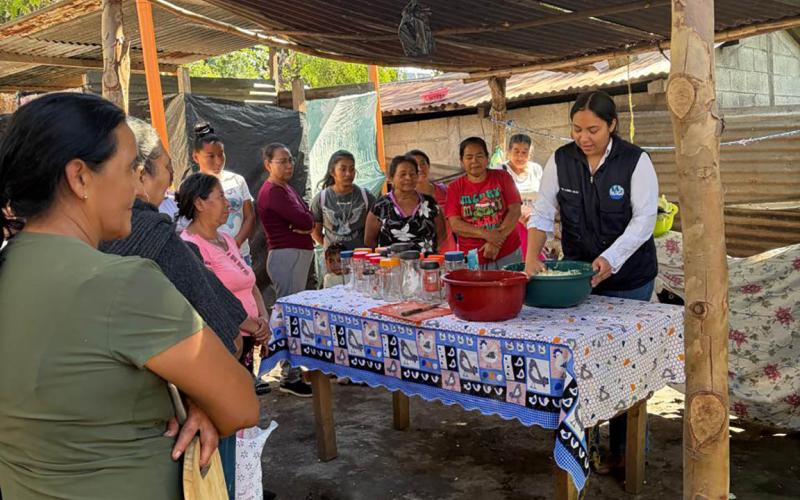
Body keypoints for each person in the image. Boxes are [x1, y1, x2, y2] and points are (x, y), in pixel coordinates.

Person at [0, 93, 258, 500]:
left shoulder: (10, 265)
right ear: (80, 177)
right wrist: (200, 399)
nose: (137, 185)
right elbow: (242, 404)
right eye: (130, 169)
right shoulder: (122, 282)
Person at [98, 118, 267, 497]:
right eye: (165, 169)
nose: (170, 181)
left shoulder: (40, 251)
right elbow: (224, 337)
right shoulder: (154, 236)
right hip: (160, 435)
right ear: (139, 175)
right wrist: (204, 394)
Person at [524, 90, 659, 472]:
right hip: (578, 277)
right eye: (577, 129)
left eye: (593, 130)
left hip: (630, 279)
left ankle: (627, 451)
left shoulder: (635, 161)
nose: (583, 138)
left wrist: (611, 259)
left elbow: (644, 221)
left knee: (625, 362)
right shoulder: (560, 160)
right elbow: (542, 213)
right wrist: (532, 257)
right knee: (580, 360)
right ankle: (583, 444)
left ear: (612, 125)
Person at [178, 173, 270, 375]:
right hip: (225, 342)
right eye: (220, 196)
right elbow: (212, 299)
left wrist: (263, 319)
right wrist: (254, 327)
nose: (228, 204)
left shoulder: (227, 239)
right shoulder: (190, 246)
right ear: (199, 204)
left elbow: (250, 283)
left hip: (249, 336)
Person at [256, 143, 315, 397]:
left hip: (294, 256)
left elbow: (309, 218)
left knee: (294, 315)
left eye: (290, 160)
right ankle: (289, 375)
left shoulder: (285, 188)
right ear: (268, 164)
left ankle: (292, 371)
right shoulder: (273, 192)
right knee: (290, 317)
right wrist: (305, 223)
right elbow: (305, 220)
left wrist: (306, 223)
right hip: (286, 257)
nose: (289, 165)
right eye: (283, 161)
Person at [445, 136, 522, 269]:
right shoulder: (454, 187)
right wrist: (486, 234)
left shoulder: (503, 177)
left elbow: (515, 211)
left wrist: (495, 241)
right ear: (462, 161)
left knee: (513, 282)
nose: (474, 161)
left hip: (508, 252)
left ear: (487, 158)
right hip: (473, 257)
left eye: (479, 156)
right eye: (469, 157)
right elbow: (455, 224)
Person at [192, 123, 256, 265]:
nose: (218, 161)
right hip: (211, 259)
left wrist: (236, 243)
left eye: (221, 154)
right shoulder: (191, 186)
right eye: (211, 156)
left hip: (241, 255)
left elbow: (250, 216)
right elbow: (190, 225)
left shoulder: (237, 180)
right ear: (196, 157)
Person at [364, 154, 445, 254]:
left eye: (412, 174)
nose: (408, 178)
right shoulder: (380, 206)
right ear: (391, 177)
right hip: (391, 263)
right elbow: (369, 241)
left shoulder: (430, 203)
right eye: (403, 174)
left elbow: (442, 235)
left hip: (426, 262)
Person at [311, 150, 376, 250]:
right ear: (332, 172)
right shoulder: (321, 199)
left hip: (361, 256)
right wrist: (331, 249)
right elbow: (315, 232)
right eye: (343, 169)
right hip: (334, 258)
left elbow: (375, 230)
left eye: (352, 169)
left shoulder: (366, 196)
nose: (348, 174)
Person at [498, 134, 544, 259]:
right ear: (509, 151)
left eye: (524, 152)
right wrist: (519, 212)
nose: (520, 156)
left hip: (534, 222)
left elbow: (544, 196)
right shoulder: (500, 171)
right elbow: (497, 200)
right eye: (516, 151)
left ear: (530, 153)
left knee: (535, 258)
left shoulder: (536, 169)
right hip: (512, 223)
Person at [408, 148, 456, 252]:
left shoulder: (445, 191)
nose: (420, 168)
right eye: (415, 165)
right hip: (420, 253)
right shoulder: (405, 198)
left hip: (448, 251)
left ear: (429, 166)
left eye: (423, 164)